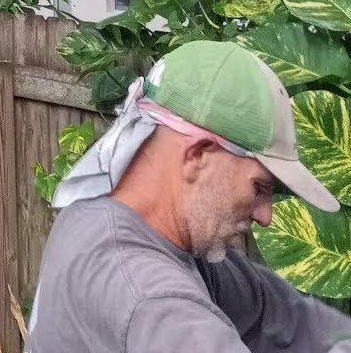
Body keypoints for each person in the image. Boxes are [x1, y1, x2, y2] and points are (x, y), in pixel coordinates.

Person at [27, 39, 351, 352]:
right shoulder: (150, 298)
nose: (266, 216)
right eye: (259, 187)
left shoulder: (110, 218)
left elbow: (287, 319)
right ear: (198, 155)